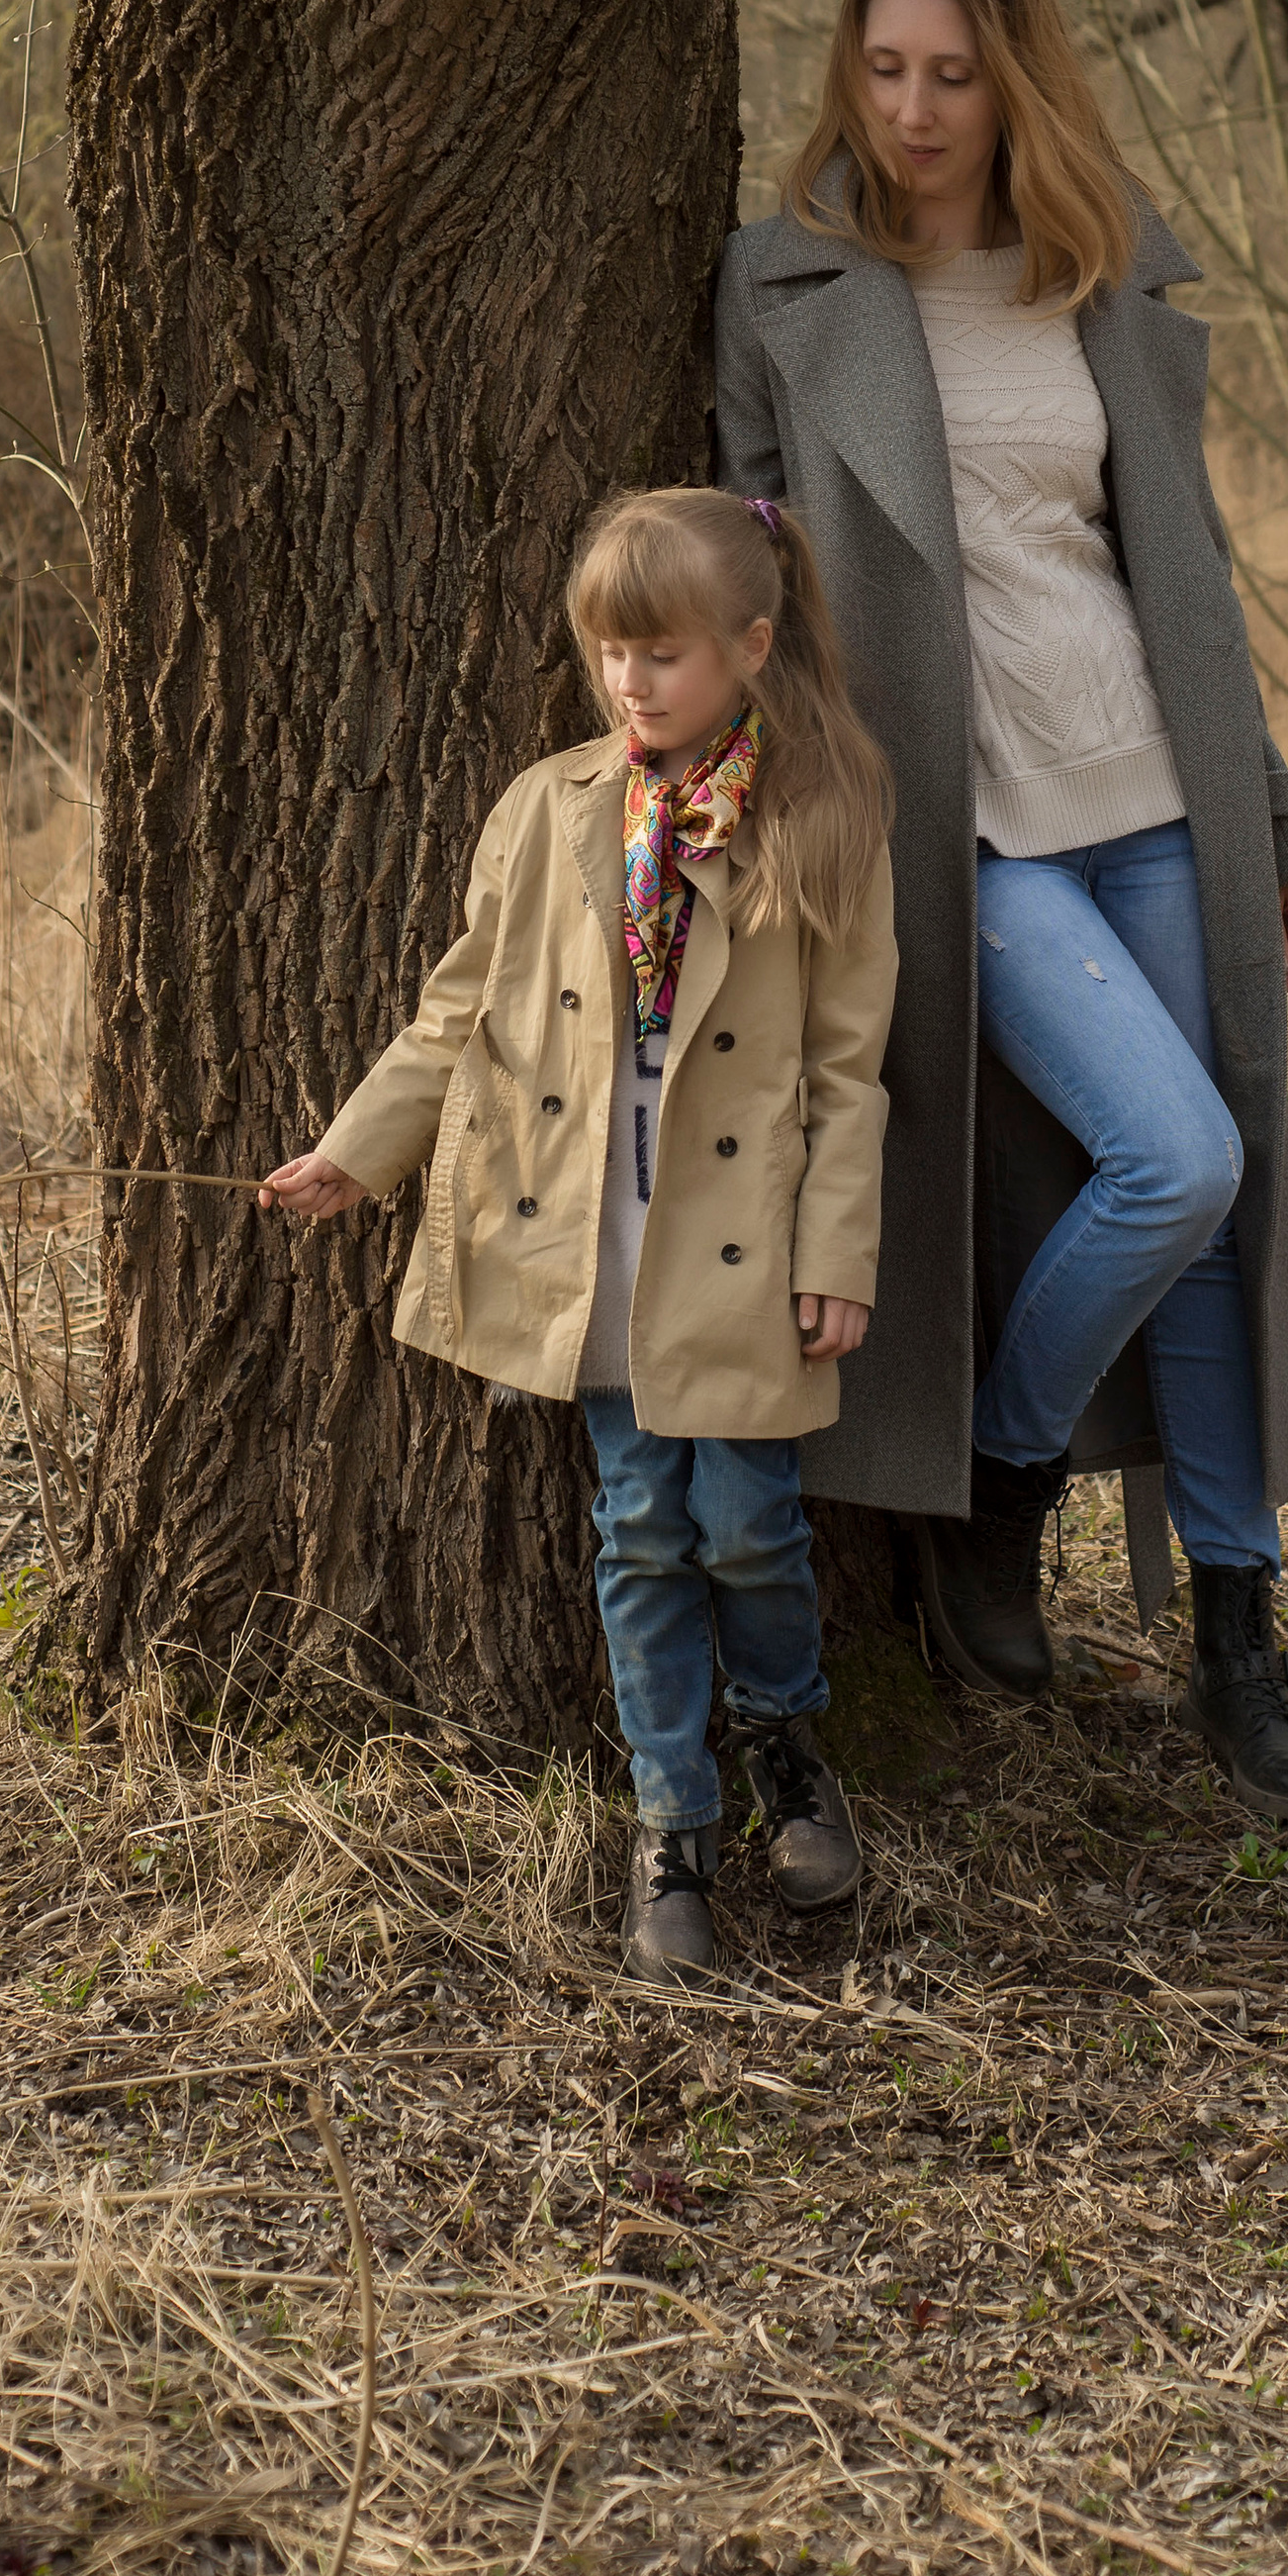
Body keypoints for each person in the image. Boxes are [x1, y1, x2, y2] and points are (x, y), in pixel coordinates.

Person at [713, 0, 1288, 1826]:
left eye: (953, 73)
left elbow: (1193, 583)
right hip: (960, 827)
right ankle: (999, 1471)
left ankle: (1235, 1643)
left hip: (1156, 797)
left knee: (1211, 1233)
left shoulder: (1094, 278)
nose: (912, 110)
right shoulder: (785, 292)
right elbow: (744, 578)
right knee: (1176, 1156)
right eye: (883, 68)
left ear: (1015, 78)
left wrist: (1281, 828)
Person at [260, 487, 899, 1983]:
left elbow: (852, 1064)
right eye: (610, 653)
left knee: (748, 1523)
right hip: (594, 1231)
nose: (630, 684)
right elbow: (462, 1004)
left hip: (739, 1232)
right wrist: (364, 1148)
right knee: (637, 1531)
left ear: (750, 646)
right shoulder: (550, 810)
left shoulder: (822, 819)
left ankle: (788, 1750)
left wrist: (836, 1253)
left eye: (662, 654)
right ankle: (672, 1817)